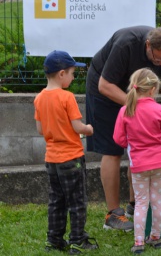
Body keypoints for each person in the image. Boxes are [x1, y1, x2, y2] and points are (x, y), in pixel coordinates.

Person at [85, 25, 161, 231]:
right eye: (158, 59)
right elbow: (104, 85)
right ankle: (113, 214)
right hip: (106, 91)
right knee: (113, 149)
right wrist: (138, 105)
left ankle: (135, 206)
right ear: (148, 45)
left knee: (139, 146)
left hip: (138, 97)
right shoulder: (126, 44)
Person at [34, 50, 99, 254]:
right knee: (77, 202)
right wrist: (89, 129)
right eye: (72, 73)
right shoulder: (67, 97)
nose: (73, 77)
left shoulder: (39, 98)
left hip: (51, 159)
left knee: (56, 201)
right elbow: (78, 127)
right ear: (61, 74)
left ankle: (53, 240)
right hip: (71, 158)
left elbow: (40, 130)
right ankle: (77, 241)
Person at [113, 68, 161, 254]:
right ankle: (155, 237)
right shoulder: (159, 109)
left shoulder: (125, 110)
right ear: (153, 89)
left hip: (138, 165)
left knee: (140, 202)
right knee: (156, 200)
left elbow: (118, 139)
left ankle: (138, 242)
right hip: (159, 164)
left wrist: (132, 143)